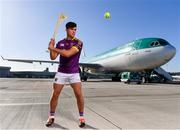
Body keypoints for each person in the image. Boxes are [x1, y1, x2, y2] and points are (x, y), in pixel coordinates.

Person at [46, 22, 85, 128]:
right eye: (72, 29)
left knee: (78, 95)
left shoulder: (79, 42)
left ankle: (81, 118)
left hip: (74, 73)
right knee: (55, 94)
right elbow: (53, 57)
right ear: (66, 30)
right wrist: (52, 46)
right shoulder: (60, 43)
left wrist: (51, 48)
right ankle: (51, 117)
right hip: (61, 72)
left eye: (75, 29)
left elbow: (67, 54)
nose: (74, 31)